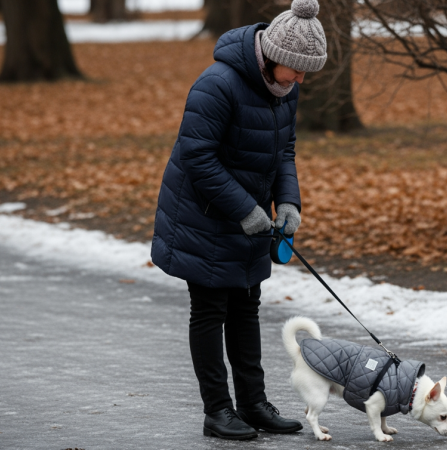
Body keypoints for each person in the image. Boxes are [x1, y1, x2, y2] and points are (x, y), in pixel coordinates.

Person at [150, 0, 327, 441]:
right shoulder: (217, 84)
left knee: (247, 304)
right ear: (272, 56)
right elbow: (197, 157)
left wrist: (288, 202)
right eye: (297, 70)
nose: (300, 80)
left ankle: (253, 402)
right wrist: (246, 209)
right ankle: (218, 410)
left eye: (306, 73)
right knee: (211, 309)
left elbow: (283, 151)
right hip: (204, 215)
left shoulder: (285, 88)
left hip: (251, 216)